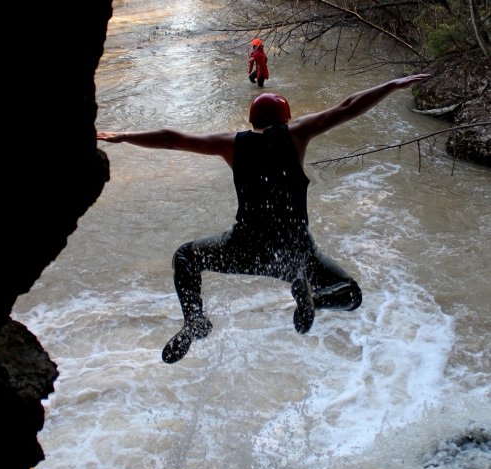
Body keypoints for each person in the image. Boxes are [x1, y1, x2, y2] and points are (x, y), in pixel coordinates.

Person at [97, 73, 430, 364]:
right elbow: (347, 107)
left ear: (251, 121)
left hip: (244, 247)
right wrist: (392, 85)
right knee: (351, 295)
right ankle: (314, 299)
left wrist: (124, 137)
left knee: (185, 257)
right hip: (295, 254)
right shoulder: (296, 134)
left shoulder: (231, 144)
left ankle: (194, 320)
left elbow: (172, 138)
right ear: (285, 117)